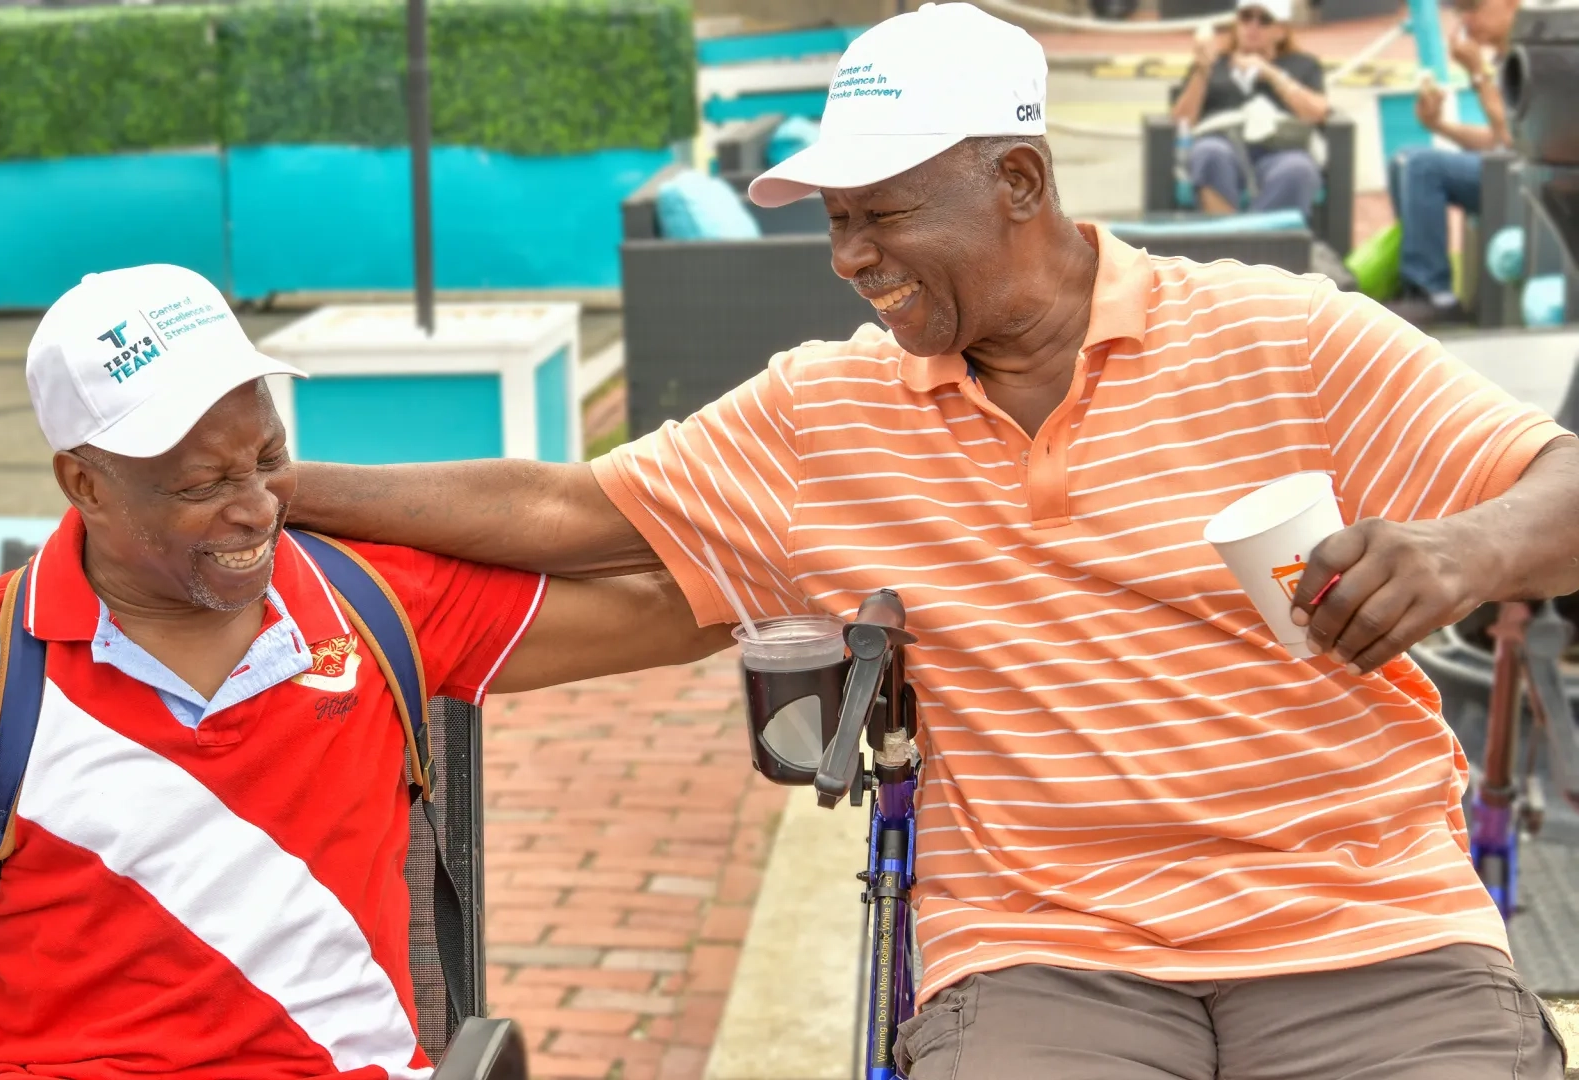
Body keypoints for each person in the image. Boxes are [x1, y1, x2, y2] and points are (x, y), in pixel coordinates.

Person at [285, 5, 1579, 1077]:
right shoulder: (824, 409)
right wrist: (277, 488)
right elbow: (565, 510)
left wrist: (1461, 551)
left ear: (1016, 179)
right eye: (834, 220)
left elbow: (1561, 486)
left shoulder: (1287, 337)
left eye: (881, 215)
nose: (848, 258)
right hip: (1044, 958)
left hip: (1367, 933)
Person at [0, 265, 719, 1079]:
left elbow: (683, 609)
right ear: (84, 483)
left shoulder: (371, 604)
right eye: (200, 484)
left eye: (267, 460)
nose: (254, 511)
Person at [1385, 0, 1521, 328]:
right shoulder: (1505, 59)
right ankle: (1414, 285)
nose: (1466, 19)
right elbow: (1497, 140)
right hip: (1508, 168)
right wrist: (1439, 127)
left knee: (1422, 166)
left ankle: (1436, 295)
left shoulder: (1532, 56)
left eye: (1473, 7)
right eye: (1460, 11)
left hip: (1531, 179)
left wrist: (1477, 73)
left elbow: (1514, 138)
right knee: (1404, 159)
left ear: (1511, 4)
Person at [1170, 0, 1331, 219]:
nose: (1253, 26)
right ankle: (1231, 243)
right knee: (1209, 153)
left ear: (1281, 31)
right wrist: (1202, 71)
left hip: (1281, 149)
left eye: (1264, 20)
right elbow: (1183, 119)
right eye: (1246, 17)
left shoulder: (1302, 65)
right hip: (1222, 142)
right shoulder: (1213, 64)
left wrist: (1273, 75)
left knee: (1298, 170)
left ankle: (1245, 243)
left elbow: (1318, 113)